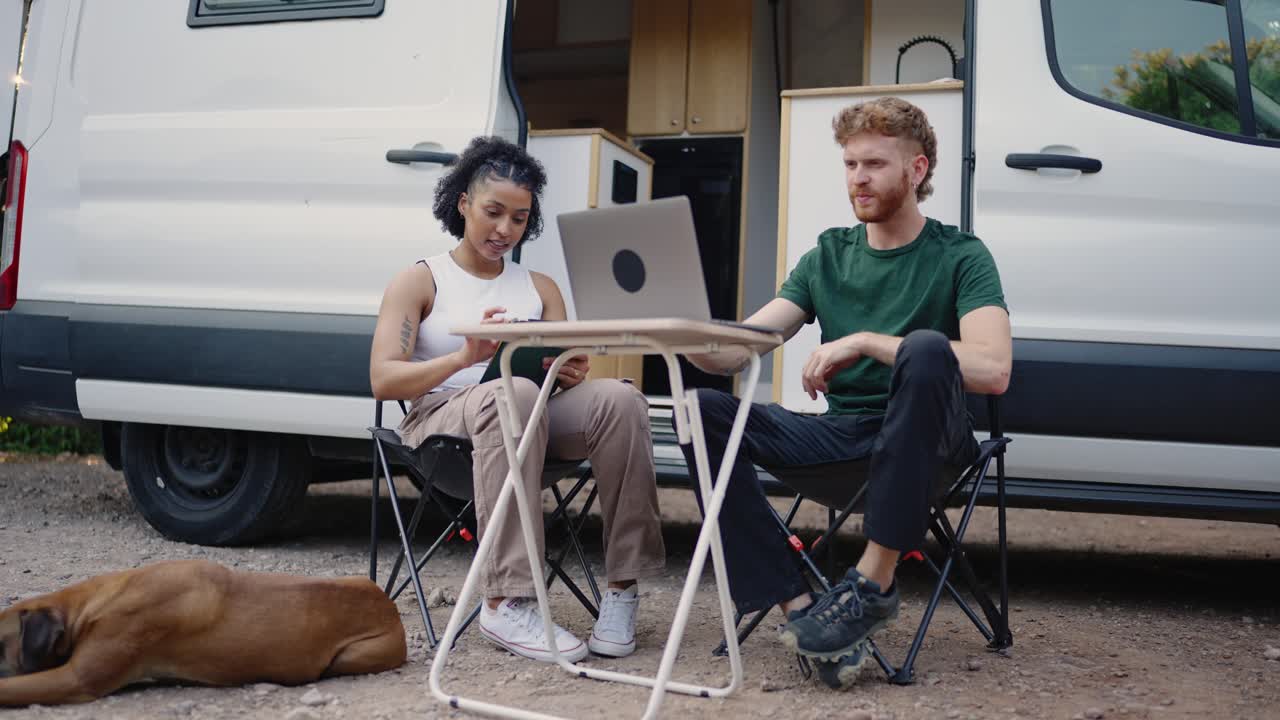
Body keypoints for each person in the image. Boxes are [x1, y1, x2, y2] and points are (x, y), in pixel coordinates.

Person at [680, 97, 1012, 688]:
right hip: (842, 438)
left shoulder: (961, 255)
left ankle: (871, 585)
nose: (858, 178)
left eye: (875, 164)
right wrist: (675, 329)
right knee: (700, 410)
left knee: (927, 349)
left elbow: (992, 370)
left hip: (932, 444)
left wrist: (864, 341)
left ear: (917, 169)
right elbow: (738, 349)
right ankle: (802, 609)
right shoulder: (828, 256)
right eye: (851, 164)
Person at [369, 136, 665, 663]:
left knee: (620, 400)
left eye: (520, 218)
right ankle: (506, 601)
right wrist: (464, 357)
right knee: (514, 392)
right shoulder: (421, 279)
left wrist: (568, 372)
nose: (505, 229)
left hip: (529, 416)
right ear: (463, 203)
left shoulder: (541, 287)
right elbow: (384, 380)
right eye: (493, 212)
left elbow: (556, 375)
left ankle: (622, 589)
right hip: (442, 419)